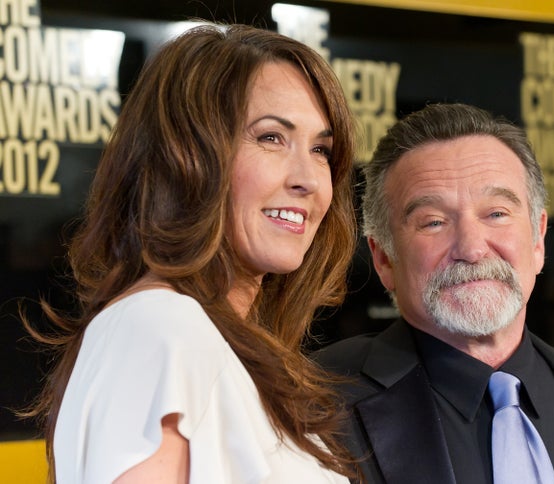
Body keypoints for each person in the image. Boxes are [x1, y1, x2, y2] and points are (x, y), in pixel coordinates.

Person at [23, 23, 359, 483]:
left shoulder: (207, 339)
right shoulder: (159, 328)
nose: (311, 179)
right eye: (270, 138)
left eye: (321, 149)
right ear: (186, 158)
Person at [315, 103, 554, 484]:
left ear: (538, 237)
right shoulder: (309, 406)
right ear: (383, 259)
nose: (472, 248)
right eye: (434, 222)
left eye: (496, 213)